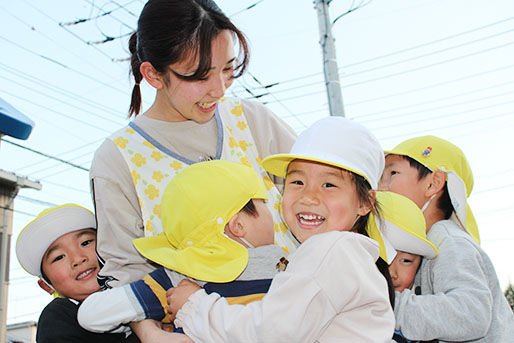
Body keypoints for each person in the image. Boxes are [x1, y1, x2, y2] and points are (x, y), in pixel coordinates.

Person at [90, 0, 297, 289]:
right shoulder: (118, 158)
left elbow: (321, 195)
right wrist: (153, 335)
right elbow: (126, 270)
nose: (220, 89)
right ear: (153, 75)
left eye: (228, 69)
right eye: (200, 76)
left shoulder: (249, 119)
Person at [166, 116, 395, 342]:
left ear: (365, 203)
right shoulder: (345, 252)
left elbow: (269, 333)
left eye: (329, 185)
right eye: (297, 182)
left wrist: (194, 306)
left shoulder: (330, 250)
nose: (308, 197)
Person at [77, 161, 287, 339]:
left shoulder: (182, 278)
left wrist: (147, 326)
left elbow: (91, 314)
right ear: (238, 225)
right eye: (264, 204)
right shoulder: (289, 264)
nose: (272, 214)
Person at [380, 135, 514, 342]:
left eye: (392, 173)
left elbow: (471, 314)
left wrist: (384, 305)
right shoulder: (420, 244)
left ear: (433, 184)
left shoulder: (449, 240)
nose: (381, 186)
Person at [15, 204, 139, 343]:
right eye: (59, 257)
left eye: (86, 242)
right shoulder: (59, 316)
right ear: (46, 286)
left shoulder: (140, 283)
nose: (78, 259)